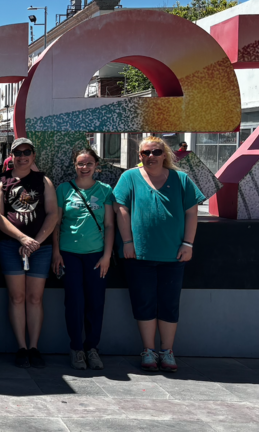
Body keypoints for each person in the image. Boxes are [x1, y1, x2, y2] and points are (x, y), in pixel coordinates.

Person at [114, 136, 203, 373]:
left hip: (173, 255)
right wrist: (127, 242)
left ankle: (167, 351)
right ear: (139, 156)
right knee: (144, 303)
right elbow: (120, 208)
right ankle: (148, 350)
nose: (150, 156)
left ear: (164, 154)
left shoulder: (181, 179)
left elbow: (192, 214)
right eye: (145, 153)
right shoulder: (129, 177)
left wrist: (188, 244)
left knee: (169, 304)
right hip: (138, 255)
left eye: (155, 152)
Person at [0, 137, 58, 368]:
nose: (22, 156)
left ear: (33, 154)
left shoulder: (44, 181)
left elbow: (52, 214)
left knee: (35, 297)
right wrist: (21, 238)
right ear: (11, 156)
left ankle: (34, 347)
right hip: (11, 246)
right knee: (17, 297)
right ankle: (21, 347)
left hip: (40, 248)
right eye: (17, 152)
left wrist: (35, 242)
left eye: (26, 151)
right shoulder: (1, 182)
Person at [51, 147, 114, 370]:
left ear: (96, 166)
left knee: (96, 303)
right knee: (75, 302)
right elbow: (56, 223)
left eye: (89, 164)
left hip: (96, 255)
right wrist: (56, 253)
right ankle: (77, 348)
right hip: (69, 254)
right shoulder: (63, 189)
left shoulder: (105, 190)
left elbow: (108, 225)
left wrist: (107, 256)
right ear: (74, 166)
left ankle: (92, 348)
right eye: (80, 164)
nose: (84, 168)